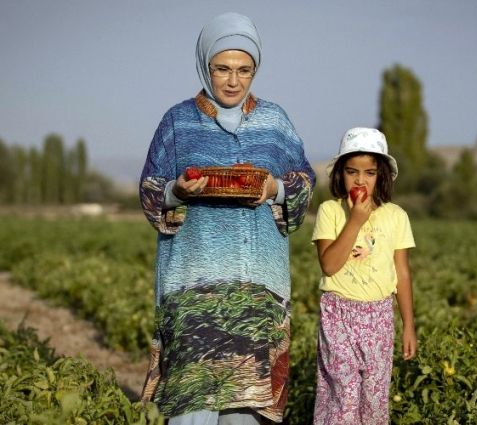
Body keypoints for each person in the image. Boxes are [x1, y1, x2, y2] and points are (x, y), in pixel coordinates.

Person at [138, 12, 315, 425]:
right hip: (193, 288)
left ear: (255, 70)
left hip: (258, 292)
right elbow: (149, 188)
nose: (233, 81)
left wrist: (275, 189)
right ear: (205, 66)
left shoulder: (276, 122)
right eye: (222, 69)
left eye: (244, 70)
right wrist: (176, 191)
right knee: (191, 403)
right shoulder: (177, 122)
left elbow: (305, 180)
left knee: (246, 409)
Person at [311, 127, 417, 424]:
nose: (360, 180)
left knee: (374, 399)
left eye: (369, 172)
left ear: (381, 175)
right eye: (351, 171)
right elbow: (329, 265)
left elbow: (403, 273)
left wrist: (409, 324)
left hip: (380, 317)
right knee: (342, 397)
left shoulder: (396, 216)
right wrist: (356, 221)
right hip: (339, 315)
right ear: (339, 174)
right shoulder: (330, 211)